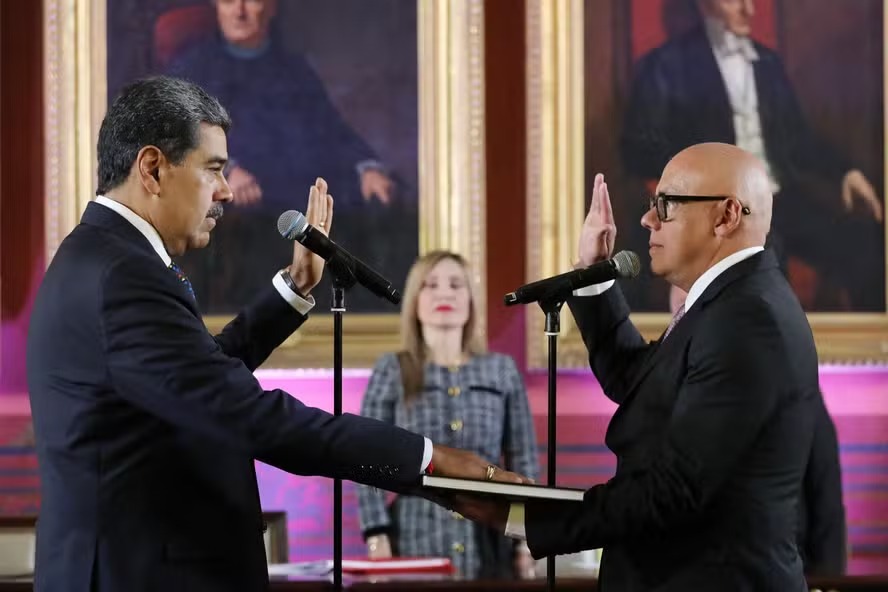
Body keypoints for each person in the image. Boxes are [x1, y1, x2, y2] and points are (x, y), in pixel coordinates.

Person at [25, 76, 524, 592]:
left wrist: (295, 288)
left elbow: (199, 380)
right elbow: (247, 414)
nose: (225, 191)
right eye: (214, 169)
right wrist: (429, 459)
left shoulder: (105, 258)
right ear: (152, 168)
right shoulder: (123, 275)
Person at [455, 143, 822, 590]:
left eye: (666, 205)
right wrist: (593, 273)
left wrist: (527, 517)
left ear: (725, 216)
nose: (648, 220)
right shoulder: (727, 304)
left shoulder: (747, 318)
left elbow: (676, 489)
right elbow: (638, 381)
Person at [620, 0, 884, 311]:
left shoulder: (767, 63)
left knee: (866, 242)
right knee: (769, 253)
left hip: (781, 199)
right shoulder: (666, 65)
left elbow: (800, 139)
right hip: (717, 206)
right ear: (705, 5)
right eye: (736, 0)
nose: (751, 10)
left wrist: (845, 172)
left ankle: (860, 344)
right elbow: (638, 148)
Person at [165, 0, 409, 312]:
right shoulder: (193, 67)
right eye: (229, 1)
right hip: (243, 221)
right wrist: (224, 170)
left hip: (299, 209)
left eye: (250, 1)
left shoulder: (293, 69)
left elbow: (332, 129)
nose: (239, 11)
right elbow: (175, 135)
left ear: (271, 8)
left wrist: (366, 169)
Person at [357, 251, 540, 580]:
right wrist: (376, 535)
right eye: (431, 285)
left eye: (456, 285)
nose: (444, 294)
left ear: (471, 298)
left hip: (489, 538)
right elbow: (364, 461)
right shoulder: (392, 369)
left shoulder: (501, 370)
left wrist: (525, 540)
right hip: (414, 536)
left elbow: (523, 460)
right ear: (414, 299)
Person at [670, 287, 847, 576]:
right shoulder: (661, 388)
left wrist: (828, 580)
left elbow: (825, 499)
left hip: (779, 571)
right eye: (683, 307)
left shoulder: (792, 380)